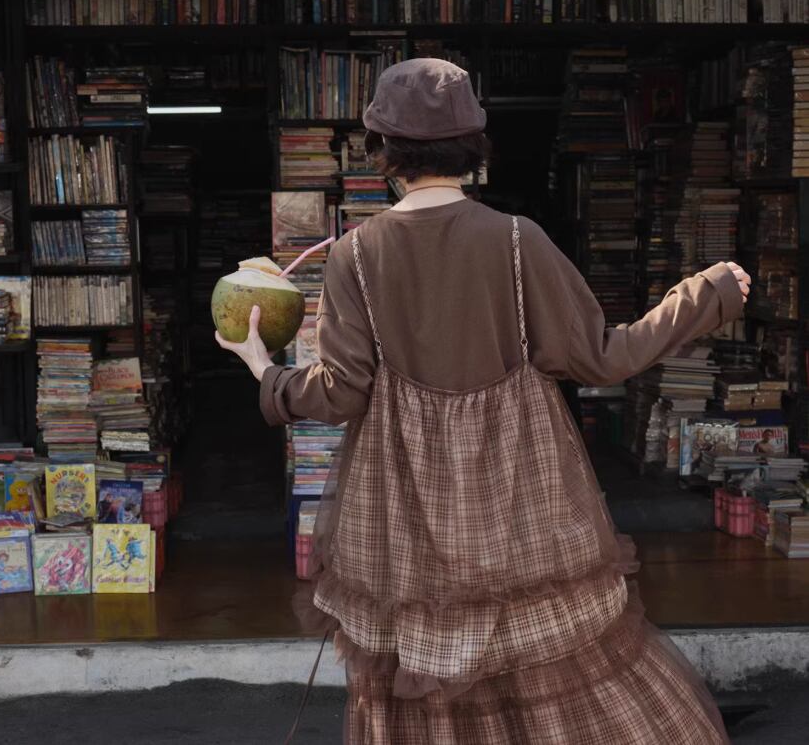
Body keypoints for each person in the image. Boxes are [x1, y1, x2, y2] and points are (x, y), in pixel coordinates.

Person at [217, 58, 751, 744]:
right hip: (520, 491)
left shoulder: (356, 255)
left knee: (426, 662)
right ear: (473, 147)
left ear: (383, 150)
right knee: (536, 657)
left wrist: (264, 369)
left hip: (402, 506)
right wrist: (705, 295)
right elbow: (601, 357)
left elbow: (340, 392)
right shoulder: (518, 240)